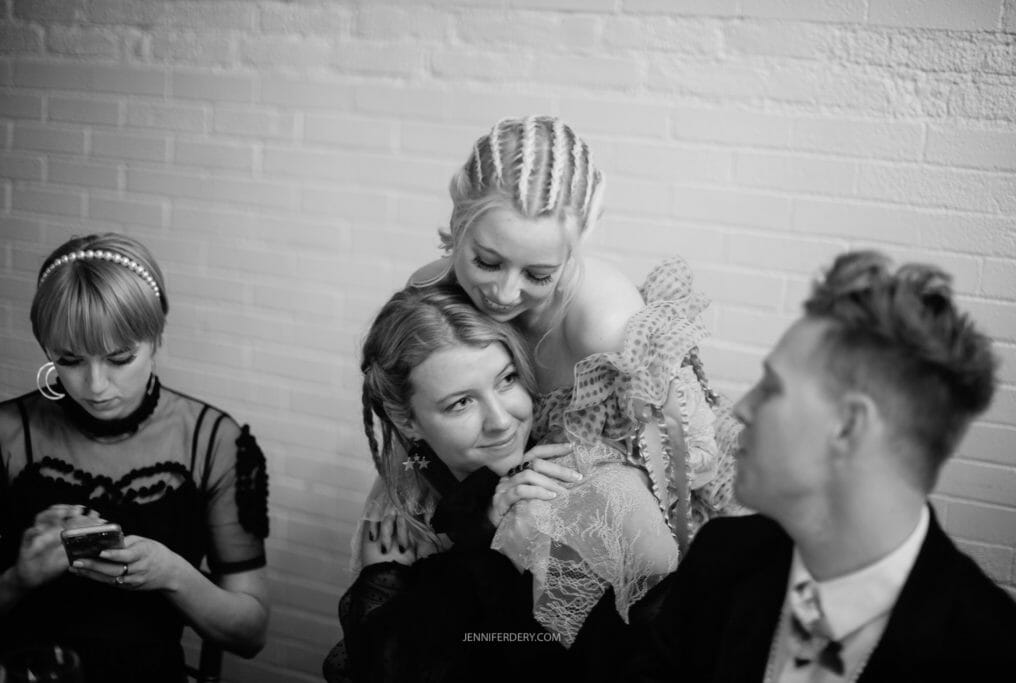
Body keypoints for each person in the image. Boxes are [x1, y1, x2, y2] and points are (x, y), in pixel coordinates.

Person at [402, 115, 742, 642]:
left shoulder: (604, 327)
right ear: (459, 220)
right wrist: (478, 503)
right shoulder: (431, 291)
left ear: (575, 246)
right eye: (486, 261)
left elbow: (669, 489)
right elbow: (413, 424)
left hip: (617, 517)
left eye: (538, 275)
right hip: (490, 495)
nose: (504, 295)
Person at [625, 250, 1016, 681]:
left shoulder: (994, 657)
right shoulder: (723, 556)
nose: (741, 409)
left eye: (773, 388)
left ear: (849, 426)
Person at [0, 233, 270, 683]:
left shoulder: (214, 441)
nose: (95, 385)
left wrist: (173, 575)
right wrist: (20, 577)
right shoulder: (8, 434)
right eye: (69, 360)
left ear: (156, 338)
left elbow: (250, 633)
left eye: (120, 358)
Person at [324, 283, 594, 682]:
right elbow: (389, 663)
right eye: (461, 403)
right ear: (408, 421)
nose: (501, 420)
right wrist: (485, 537)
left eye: (506, 380)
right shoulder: (405, 506)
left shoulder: (566, 463)